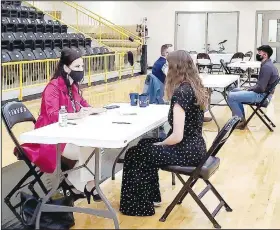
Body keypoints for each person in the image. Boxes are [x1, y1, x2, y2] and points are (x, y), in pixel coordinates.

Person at [120, 50, 208, 216]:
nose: (165, 69)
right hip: (195, 147)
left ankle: (139, 207)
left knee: (135, 153)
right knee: (142, 145)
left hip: (186, 150)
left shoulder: (181, 93)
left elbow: (177, 136)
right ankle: (151, 198)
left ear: (175, 68)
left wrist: (159, 144)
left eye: (168, 65)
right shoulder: (194, 87)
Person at [21, 48, 103, 203]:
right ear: (66, 68)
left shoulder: (73, 87)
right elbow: (52, 115)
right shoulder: (52, 87)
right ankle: (80, 184)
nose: (81, 70)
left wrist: (95, 110)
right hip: (50, 136)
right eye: (77, 67)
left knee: (94, 147)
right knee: (90, 150)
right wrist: (76, 115)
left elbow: (82, 104)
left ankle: (80, 184)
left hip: (68, 132)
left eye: (82, 66)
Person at [227, 45, 279, 129]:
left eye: (259, 53)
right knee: (235, 90)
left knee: (231, 96)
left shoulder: (266, 67)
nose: (257, 55)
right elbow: (261, 85)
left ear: (265, 55)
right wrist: (249, 89)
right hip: (265, 94)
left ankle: (239, 121)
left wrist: (249, 89)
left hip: (262, 96)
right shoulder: (269, 65)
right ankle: (240, 118)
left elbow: (261, 88)